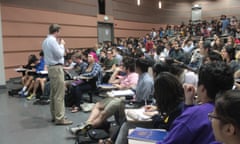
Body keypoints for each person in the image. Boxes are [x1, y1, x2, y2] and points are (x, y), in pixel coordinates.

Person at [157, 62, 234, 144]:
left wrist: (191, 111)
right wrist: (188, 104)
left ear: (202, 88)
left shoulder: (196, 115)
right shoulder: (233, 110)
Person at [115, 72, 185, 144]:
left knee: (127, 126)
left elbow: (165, 125)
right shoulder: (177, 103)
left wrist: (154, 116)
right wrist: (157, 109)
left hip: (164, 135)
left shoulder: (177, 110)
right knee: (126, 125)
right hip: (164, 129)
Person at [42, 24, 73, 125]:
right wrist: (62, 44)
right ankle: (60, 118)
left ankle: (55, 115)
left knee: (53, 93)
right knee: (59, 94)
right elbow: (60, 54)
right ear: (57, 31)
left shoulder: (45, 41)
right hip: (56, 68)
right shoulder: (52, 41)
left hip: (51, 68)